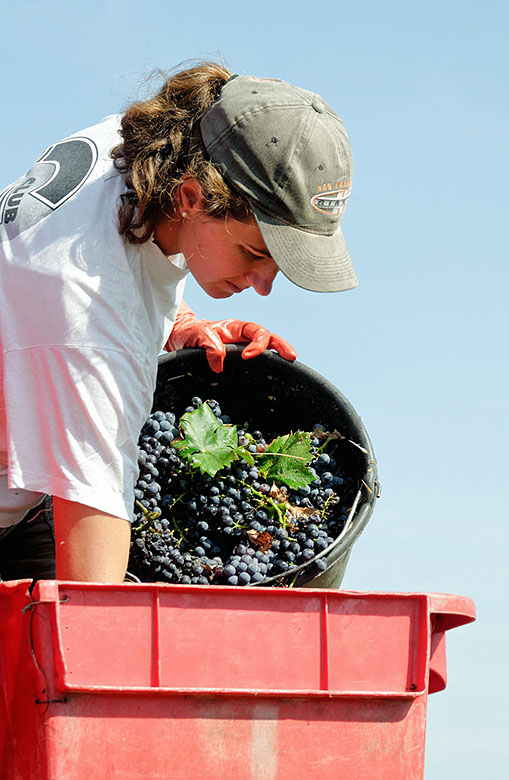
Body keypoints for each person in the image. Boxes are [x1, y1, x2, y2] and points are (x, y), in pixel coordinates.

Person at [0, 62, 357, 585]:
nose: (263, 285)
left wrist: (179, 321)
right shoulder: (89, 312)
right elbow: (91, 571)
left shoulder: (153, 149)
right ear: (192, 197)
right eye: (255, 253)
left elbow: (134, 262)